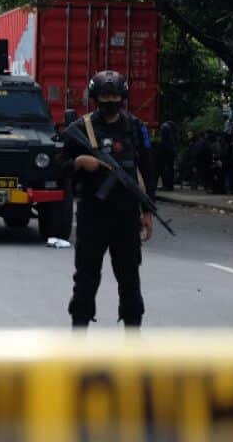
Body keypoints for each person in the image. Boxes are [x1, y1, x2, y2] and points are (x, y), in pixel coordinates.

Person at [66, 70, 156, 328]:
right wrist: (79, 162)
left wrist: (147, 211)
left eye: (115, 95)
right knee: (86, 276)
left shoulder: (137, 129)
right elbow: (56, 167)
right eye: (105, 95)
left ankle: (132, 335)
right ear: (95, 97)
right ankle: (79, 332)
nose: (110, 100)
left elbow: (148, 171)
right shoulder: (81, 129)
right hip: (92, 215)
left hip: (126, 217)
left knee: (129, 277)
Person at [156, 121, 178, 192]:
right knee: (170, 169)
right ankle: (170, 186)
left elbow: (163, 141)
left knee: (164, 169)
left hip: (166, 152)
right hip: (171, 151)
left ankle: (166, 186)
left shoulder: (164, 127)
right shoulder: (171, 130)